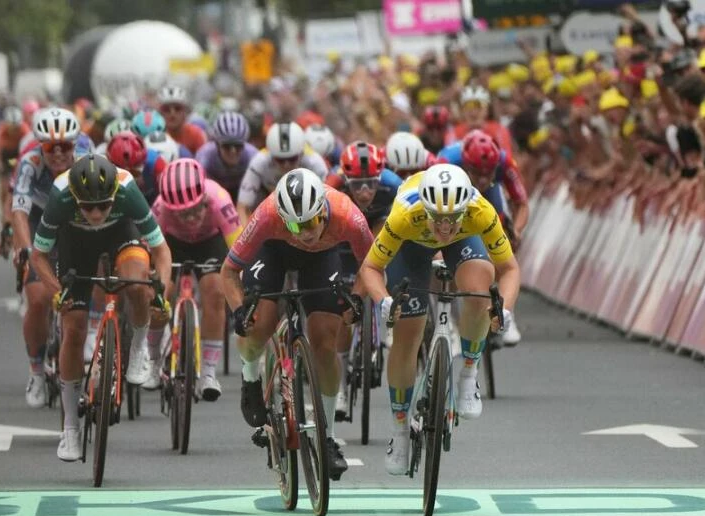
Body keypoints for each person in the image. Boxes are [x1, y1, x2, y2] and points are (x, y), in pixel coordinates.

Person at [356, 164, 520, 476]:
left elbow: (509, 268)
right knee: (407, 336)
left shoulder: (480, 212)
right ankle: (400, 429)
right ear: (425, 208)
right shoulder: (404, 215)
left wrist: (505, 310)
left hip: (464, 242)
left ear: (465, 207)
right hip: (411, 247)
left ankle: (469, 374)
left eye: (452, 218)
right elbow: (370, 268)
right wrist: (384, 301)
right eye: (438, 218)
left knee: (480, 293)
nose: (445, 227)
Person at [221, 168, 375, 481]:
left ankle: (328, 437)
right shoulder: (266, 215)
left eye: (311, 222)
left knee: (324, 343)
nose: (304, 232)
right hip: (273, 253)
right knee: (258, 324)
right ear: (282, 216)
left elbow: (372, 265)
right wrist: (238, 311)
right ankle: (251, 377)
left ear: (323, 211)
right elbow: (228, 272)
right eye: (294, 224)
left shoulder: (348, 215)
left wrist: (357, 298)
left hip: (322, 259)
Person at [28, 154, 172, 462]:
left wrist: (160, 290)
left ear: (114, 197)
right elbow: (38, 256)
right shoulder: (60, 194)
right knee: (75, 326)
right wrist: (57, 292)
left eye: (103, 205)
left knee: (137, 286)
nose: (96, 213)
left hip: (120, 233)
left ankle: (137, 349)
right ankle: (70, 429)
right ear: (75, 199)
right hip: (74, 243)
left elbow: (161, 249)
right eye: (88, 207)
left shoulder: (128, 190)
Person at [149, 159, 243, 396]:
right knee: (160, 295)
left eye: (194, 210)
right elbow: (150, 251)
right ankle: (152, 361)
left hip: (209, 243)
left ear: (204, 199)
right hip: (172, 244)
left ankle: (209, 373)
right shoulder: (160, 208)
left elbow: (240, 249)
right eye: (181, 214)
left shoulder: (219, 199)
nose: (190, 218)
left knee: (216, 291)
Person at [9, 107, 81, 409]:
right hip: (40, 222)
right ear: (41, 145)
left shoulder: (87, 161)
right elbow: (19, 213)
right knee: (38, 298)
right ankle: (36, 371)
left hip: (75, 218)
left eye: (66, 146)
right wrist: (26, 251)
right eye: (52, 147)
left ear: (75, 145)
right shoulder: (30, 163)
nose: (59, 153)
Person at [326, 141, 403, 419]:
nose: (365, 191)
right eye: (357, 185)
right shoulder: (332, 184)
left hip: (379, 233)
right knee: (345, 310)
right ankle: (342, 388)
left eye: (371, 183)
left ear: (380, 177)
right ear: (346, 179)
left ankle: (385, 321)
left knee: (383, 233)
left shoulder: (394, 184)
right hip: (344, 236)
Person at [438, 130, 529, 344]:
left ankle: (505, 310)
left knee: (505, 238)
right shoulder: (446, 160)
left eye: (488, 173)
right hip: (452, 193)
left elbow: (522, 204)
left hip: (489, 196)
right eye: (476, 173)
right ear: (465, 164)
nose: (481, 179)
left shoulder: (505, 161)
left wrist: (516, 230)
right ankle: (448, 318)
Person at [236, 122, 329, 223]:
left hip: (304, 203)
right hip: (268, 199)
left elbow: (326, 203)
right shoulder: (259, 161)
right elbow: (243, 207)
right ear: (271, 154)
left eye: (292, 159)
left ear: (301, 153)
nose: (286, 165)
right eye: (280, 160)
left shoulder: (315, 163)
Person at [195, 111, 259, 202]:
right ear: (217, 144)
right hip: (214, 193)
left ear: (245, 144)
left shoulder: (253, 155)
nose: (233, 151)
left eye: (238, 146)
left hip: (243, 192)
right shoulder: (205, 156)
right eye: (227, 146)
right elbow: (198, 189)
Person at [0, 106, 29, 256]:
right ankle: (5, 217)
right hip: (7, 155)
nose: (14, 130)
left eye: (16, 128)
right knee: (5, 188)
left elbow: (27, 152)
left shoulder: (24, 129)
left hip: (20, 155)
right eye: (11, 128)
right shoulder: (2, 130)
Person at [106, 131, 167, 205]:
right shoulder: (105, 171)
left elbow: (167, 196)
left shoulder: (156, 163)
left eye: (135, 172)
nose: (131, 178)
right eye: (123, 172)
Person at [157, 85, 207, 154]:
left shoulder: (196, 135)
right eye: (166, 109)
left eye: (177, 108)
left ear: (185, 112)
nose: (172, 114)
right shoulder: (155, 136)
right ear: (160, 113)